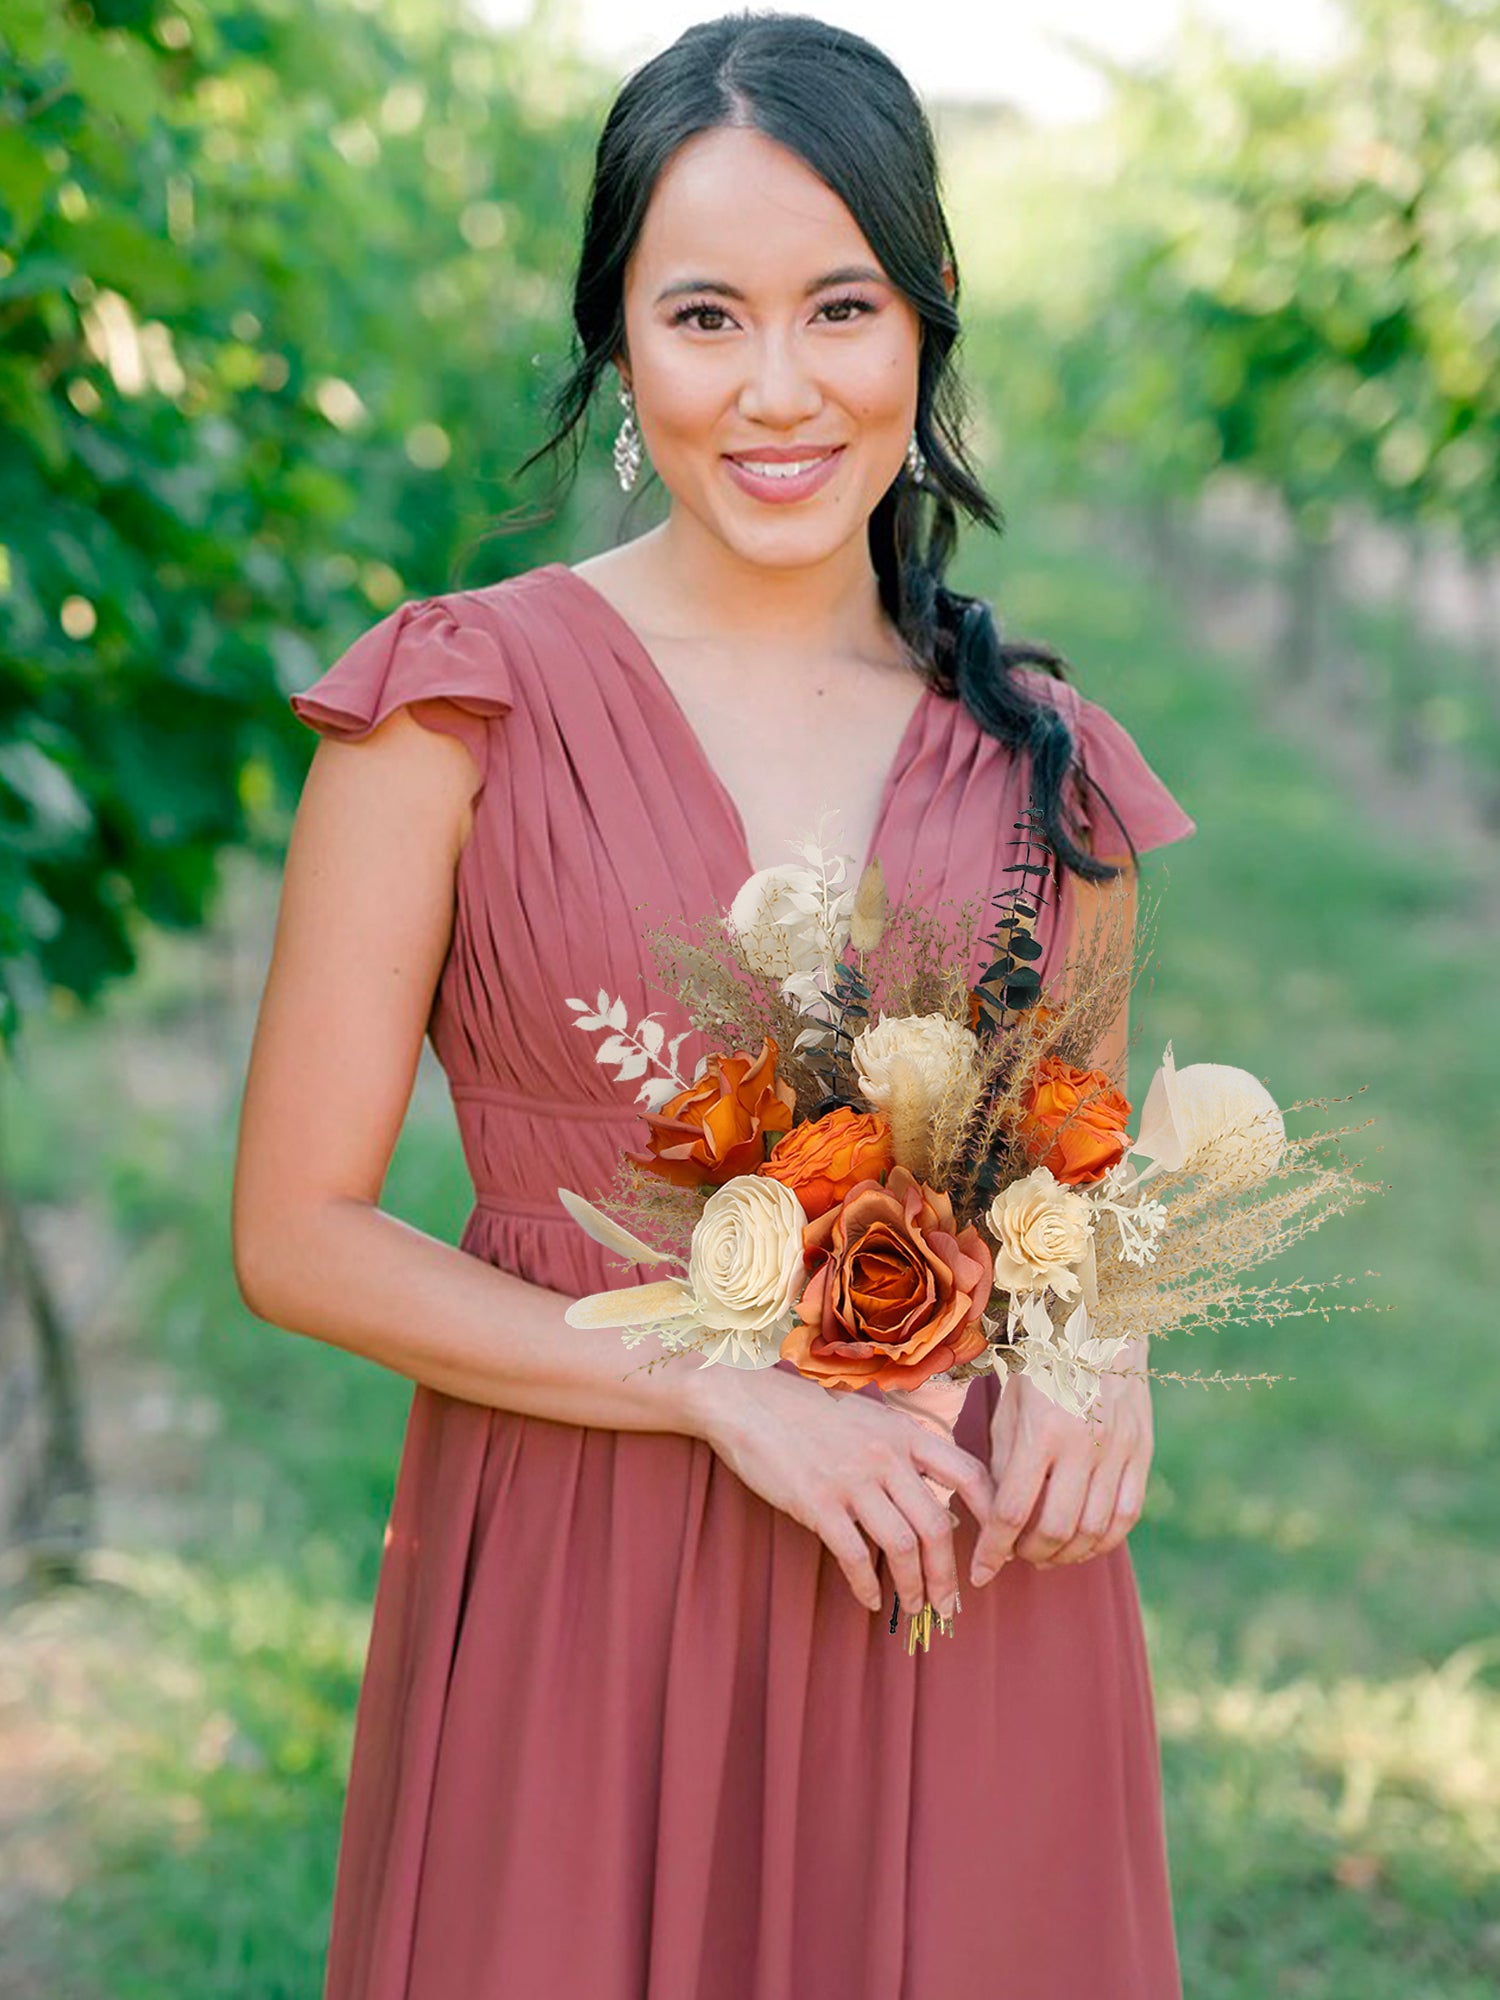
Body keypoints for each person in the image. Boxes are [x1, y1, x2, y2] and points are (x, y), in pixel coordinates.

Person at [232, 13, 1197, 1997]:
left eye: (840, 307)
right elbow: (294, 1236)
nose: (777, 389)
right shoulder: (453, 702)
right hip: (579, 1565)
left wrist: (1104, 1357)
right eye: (702, 316)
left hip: (953, 1580)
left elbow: (1067, 1195)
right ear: (618, 347)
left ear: (925, 330)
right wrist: (718, 1386)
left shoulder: (1042, 759)